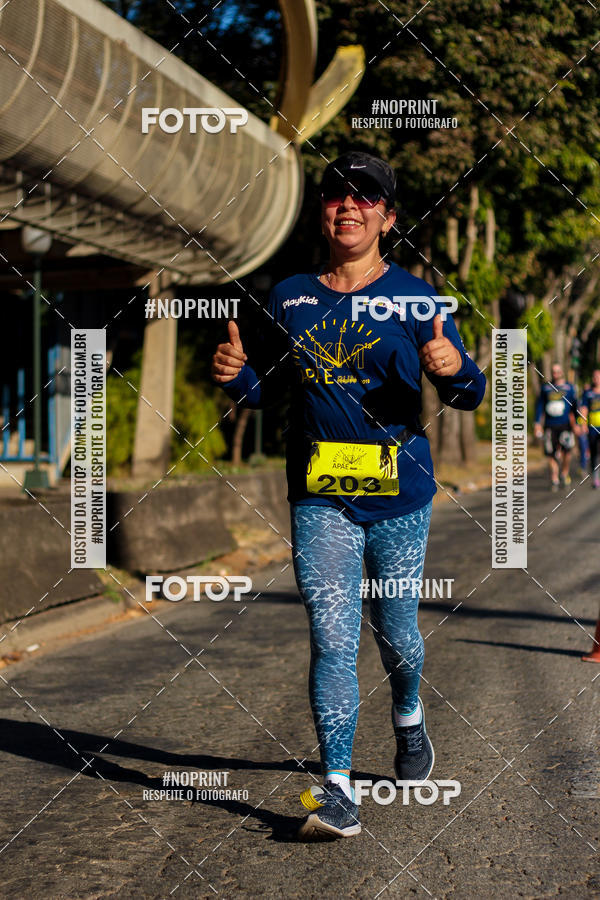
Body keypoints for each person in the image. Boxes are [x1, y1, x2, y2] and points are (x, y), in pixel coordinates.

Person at [212, 151, 486, 840]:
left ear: (388, 218)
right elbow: (268, 391)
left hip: (400, 495)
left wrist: (455, 367)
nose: (349, 206)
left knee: (397, 635)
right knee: (332, 636)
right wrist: (237, 376)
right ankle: (337, 789)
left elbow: (469, 393)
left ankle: (409, 715)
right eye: (337, 194)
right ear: (322, 210)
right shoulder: (290, 295)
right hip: (320, 495)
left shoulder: (417, 299)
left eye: (366, 197)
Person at [534, 363, 577, 490]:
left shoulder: (569, 388)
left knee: (567, 451)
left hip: (565, 425)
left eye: (558, 371)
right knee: (550, 452)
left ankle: (564, 472)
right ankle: (554, 478)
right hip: (550, 425)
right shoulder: (545, 388)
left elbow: (575, 407)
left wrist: (578, 424)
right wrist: (537, 424)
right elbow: (539, 407)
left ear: (562, 372)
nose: (556, 374)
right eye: (553, 371)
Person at [581, 370, 600, 488]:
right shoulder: (588, 393)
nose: (596, 379)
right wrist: (583, 424)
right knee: (594, 453)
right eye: (595, 377)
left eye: (598, 377)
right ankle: (595, 477)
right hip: (592, 428)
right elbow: (584, 409)